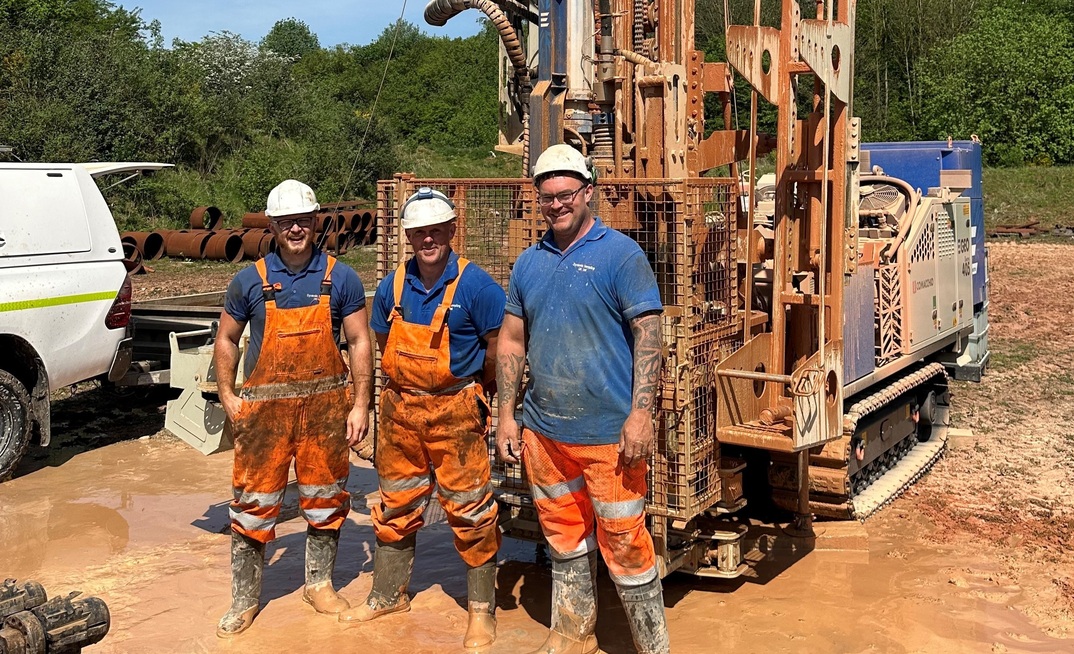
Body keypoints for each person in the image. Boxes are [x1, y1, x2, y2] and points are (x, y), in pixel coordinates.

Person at [495, 144, 670, 654]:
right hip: (545, 435)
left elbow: (649, 334)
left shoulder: (621, 255)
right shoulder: (529, 262)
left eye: (566, 194)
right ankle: (574, 636)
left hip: (608, 437)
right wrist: (508, 415)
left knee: (626, 544)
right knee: (565, 540)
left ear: (587, 192)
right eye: (547, 196)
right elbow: (511, 340)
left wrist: (641, 413)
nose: (556, 204)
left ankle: (653, 647)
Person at [338, 187, 505, 650]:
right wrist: (368, 407)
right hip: (400, 411)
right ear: (408, 236)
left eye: (436, 231)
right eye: (419, 233)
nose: (428, 239)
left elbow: (498, 348)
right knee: (396, 503)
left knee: (470, 509)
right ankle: (388, 595)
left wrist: (481, 392)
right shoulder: (393, 285)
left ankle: (480, 611)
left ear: (452, 230)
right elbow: (375, 343)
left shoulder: (479, 287)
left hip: (455, 410)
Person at [214, 179, 373, 638]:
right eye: (287, 222)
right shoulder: (249, 280)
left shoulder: (340, 277)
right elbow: (225, 339)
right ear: (274, 226)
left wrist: (360, 404)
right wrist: (228, 397)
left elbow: (361, 341)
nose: (296, 229)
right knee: (253, 506)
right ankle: (245, 600)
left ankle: (318, 584)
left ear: (316, 221)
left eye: (304, 220)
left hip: (325, 413)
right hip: (264, 416)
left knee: (325, 500)